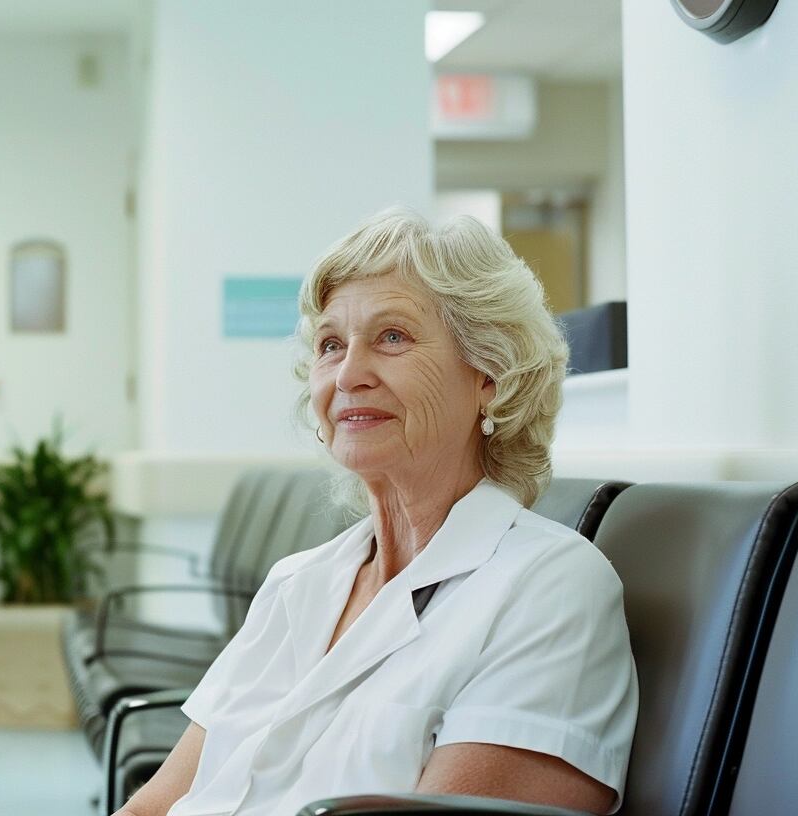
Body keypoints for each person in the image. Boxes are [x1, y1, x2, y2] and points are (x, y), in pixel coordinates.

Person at [116, 208, 638, 816]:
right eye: (331, 345)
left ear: (491, 375)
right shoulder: (297, 584)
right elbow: (154, 805)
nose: (349, 375)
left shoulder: (549, 587)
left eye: (393, 337)